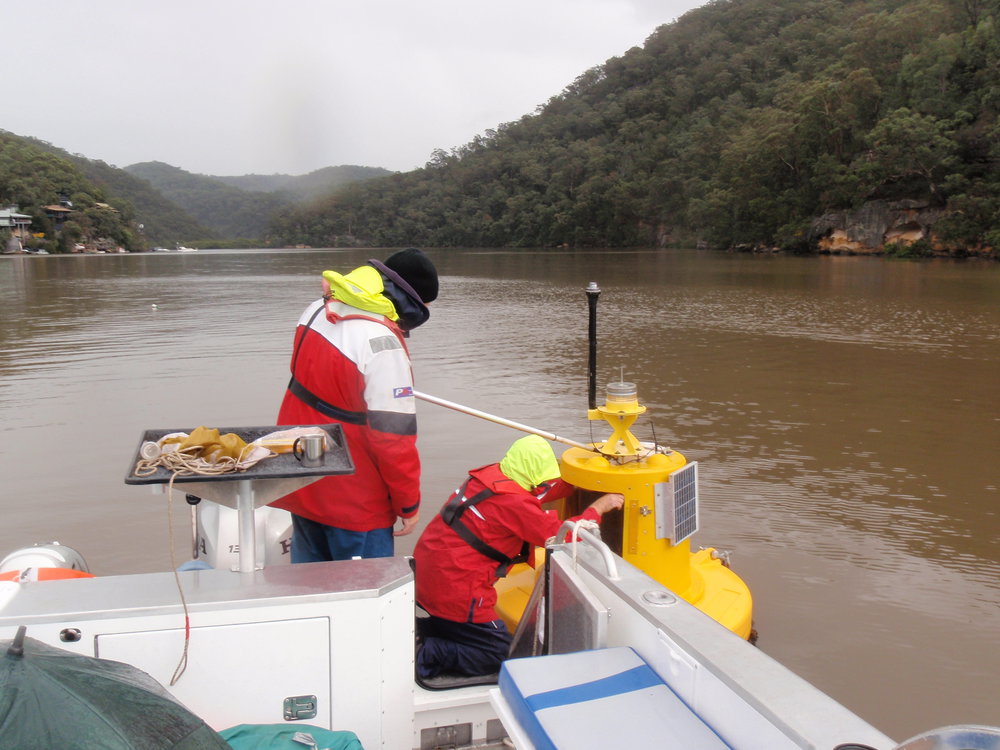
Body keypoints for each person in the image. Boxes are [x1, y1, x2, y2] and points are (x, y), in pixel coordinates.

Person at [271, 248, 438, 562]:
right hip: (355, 497)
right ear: (412, 303)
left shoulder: (316, 310)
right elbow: (393, 440)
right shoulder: (383, 344)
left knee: (308, 586)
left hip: (301, 473)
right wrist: (408, 505)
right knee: (363, 596)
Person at [413, 434, 624, 680]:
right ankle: (427, 653)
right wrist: (597, 507)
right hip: (457, 587)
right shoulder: (513, 504)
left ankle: (422, 630)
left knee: (459, 627)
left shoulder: (492, 476)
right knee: (500, 655)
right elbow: (563, 535)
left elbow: (535, 494)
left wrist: (577, 483)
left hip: (428, 573)